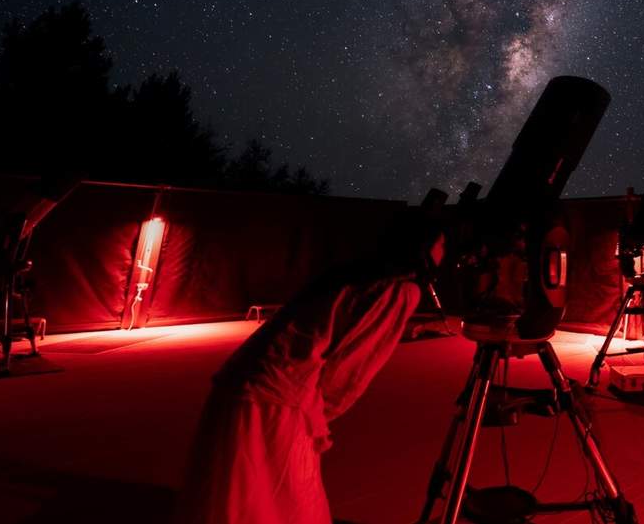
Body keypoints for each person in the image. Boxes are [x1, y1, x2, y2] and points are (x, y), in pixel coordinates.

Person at [174, 221, 444, 524]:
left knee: (240, 495)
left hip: (243, 381)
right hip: (276, 399)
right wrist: (316, 416)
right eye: (442, 244)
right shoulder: (398, 289)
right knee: (279, 500)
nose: (445, 252)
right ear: (423, 250)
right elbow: (351, 367)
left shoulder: (353, 273)